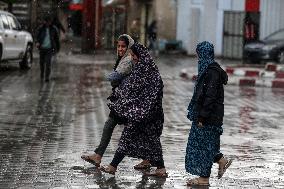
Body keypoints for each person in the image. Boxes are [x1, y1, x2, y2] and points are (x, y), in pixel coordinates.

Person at [81, 34, 150, 170]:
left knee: (119, 128)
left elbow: (115, 76)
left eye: (123, 46)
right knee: (128, 128)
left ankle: (105, 159)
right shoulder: (123, 59)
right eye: (118, 46)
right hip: (123, 99)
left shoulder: (128, 60)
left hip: (127, 100)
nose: (120, 49)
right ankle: (147, 159)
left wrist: (109, 76)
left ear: (129, 47)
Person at [99, 42, 167, 177]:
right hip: (147, 113)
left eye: (134, 56)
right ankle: (161, 169)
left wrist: (135, 105)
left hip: (144, 114)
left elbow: (142, 91)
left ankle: (113, 166)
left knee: (127, 138)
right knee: (152, 141)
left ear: (141, 56)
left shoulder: (147, 71)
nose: (133, 59)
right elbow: (131, 88)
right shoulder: (145, 69)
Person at [185, 41, 232, 186]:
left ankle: (204, 179)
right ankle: (221, 160)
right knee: (206, 145)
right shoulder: (209, 69)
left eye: (199, 55)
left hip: (208, 117)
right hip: (210, 116)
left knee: (203, 147)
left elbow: (209, 96)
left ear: (204, 55)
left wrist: (202, 117)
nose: (198, 59)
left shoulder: (211, 72)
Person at [36, 16, 60, 82]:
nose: (47, 23)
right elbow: (37, 36)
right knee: (41, 63)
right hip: (42, 48)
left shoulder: (53, 29)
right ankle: (42, 74)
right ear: (44, 22)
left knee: (48, 63)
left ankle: (47, 77)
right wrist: (37, 42)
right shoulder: (41, 28)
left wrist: (57, 49)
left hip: (49, 49)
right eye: (46, 22)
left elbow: (57, 39)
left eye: (49, 22)